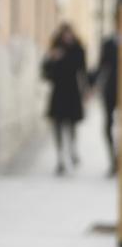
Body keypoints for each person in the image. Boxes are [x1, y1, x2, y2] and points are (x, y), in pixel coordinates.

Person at [41, 22, 87, 174]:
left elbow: (82, 69)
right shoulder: (55, 50)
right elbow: (45, 72)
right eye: (64, 34)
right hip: (59, 91)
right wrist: (53, 58)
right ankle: (60, 157)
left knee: (72, 125)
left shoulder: (78, 49)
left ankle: (72, 150)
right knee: (57, 125)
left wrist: (86, 90)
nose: (67, 37)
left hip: (72, 91)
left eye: (69, 34)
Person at [89, 16, 119, 176]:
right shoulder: (108, 43)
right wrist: (91, 85)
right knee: (108, 127)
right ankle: (113, 161)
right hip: (111, 91)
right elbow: (101, 65)